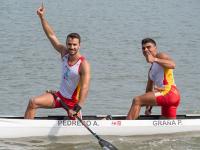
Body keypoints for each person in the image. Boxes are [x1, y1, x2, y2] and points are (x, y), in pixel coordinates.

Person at [24, 4, 90, 120]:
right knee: (33, 102)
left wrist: (77, 108)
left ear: (79, 46)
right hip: (59, 96)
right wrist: (42, 18)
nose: (72, 47)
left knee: (75, 129)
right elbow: (51, 36)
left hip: (73, 104)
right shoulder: (64, 53)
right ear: (66, 44)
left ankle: (96, 120)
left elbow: (85, 88)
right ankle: (25, 129)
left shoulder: (83, 64)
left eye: (75, 45)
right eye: (69, 44)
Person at [127, 38, 180, 120]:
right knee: (167, 124)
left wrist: (154, 59)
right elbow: (149, 90)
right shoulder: (151, 71)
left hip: (169, 92)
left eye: (148, 47)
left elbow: (173, 65)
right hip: (171, 98)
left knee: (137, 100)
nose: (146, 50)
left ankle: (127, 128)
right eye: (143, 48)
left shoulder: (160, 56)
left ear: (155, 48)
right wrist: (148, 107)